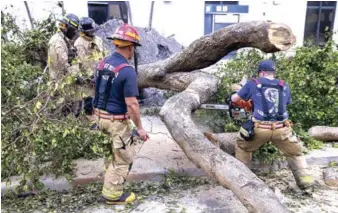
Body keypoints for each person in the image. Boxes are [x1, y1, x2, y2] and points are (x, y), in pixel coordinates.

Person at [231, 59, 313, 189]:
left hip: (260, 129)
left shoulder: (253, 84)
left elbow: (235, 99)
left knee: (242, 147)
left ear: (261, 73)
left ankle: (242, 183)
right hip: (282, 129)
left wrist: (236, 93)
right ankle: (307, 183)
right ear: (273, 73)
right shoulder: (284, 85)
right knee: (296, 154)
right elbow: (284, 103)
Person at [93, 24, 148, 204]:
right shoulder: (127, 70)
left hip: (100, 118)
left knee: (113, 154)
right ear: (131, 47)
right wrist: (139, 128)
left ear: (116, 44)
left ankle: (110, 183)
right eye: (133, 49)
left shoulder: (102, 63)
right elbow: (132, 104)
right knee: (123, 158)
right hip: (116, 121)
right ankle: (113, 195)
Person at [74, 17, 105, 126]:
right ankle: (90, 124)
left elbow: (103, 56)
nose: (93, 33)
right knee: (88, 103)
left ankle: (101, 122)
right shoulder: (79, 43)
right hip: (87, 79)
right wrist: (90, 76)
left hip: (100, 76)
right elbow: (82, 62)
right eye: (90, 31)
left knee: (101, 102)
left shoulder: (98, 40)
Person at [47, 13, 79, 81]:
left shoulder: (63, 39)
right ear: (65, 26)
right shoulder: (58, 42)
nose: (74, 33)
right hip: (59, 82)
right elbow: (64, 66)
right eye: (73, 30)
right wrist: (77, 76)